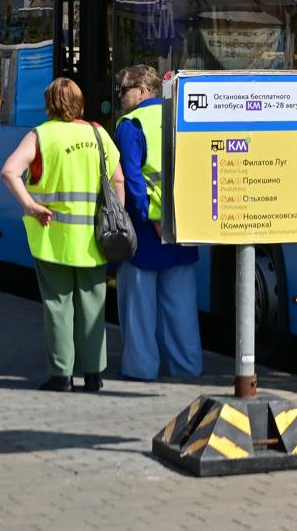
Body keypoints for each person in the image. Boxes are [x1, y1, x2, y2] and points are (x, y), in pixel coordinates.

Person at [0, 77, 124, 392]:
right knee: (93, 306)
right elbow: (118, 180)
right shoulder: (99, 134)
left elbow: (9, 171)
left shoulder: (41, 135)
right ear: (79, 102)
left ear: (49, 104)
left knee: (58, 306)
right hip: (95, 241)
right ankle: (94, 375)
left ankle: (61, 376)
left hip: (51, 237)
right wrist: (116, 215)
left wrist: (30, 205)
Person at [114, 64, 202, 382]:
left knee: (139, 309)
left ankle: (141, 370)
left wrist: (151, 217)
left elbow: (132, 178)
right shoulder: (181, 118)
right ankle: (187, 367)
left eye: (123, 90)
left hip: (145, 230)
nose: (120, 97)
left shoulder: (131, 124)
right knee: (181, 308)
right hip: (184, 224)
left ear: (143, 90)